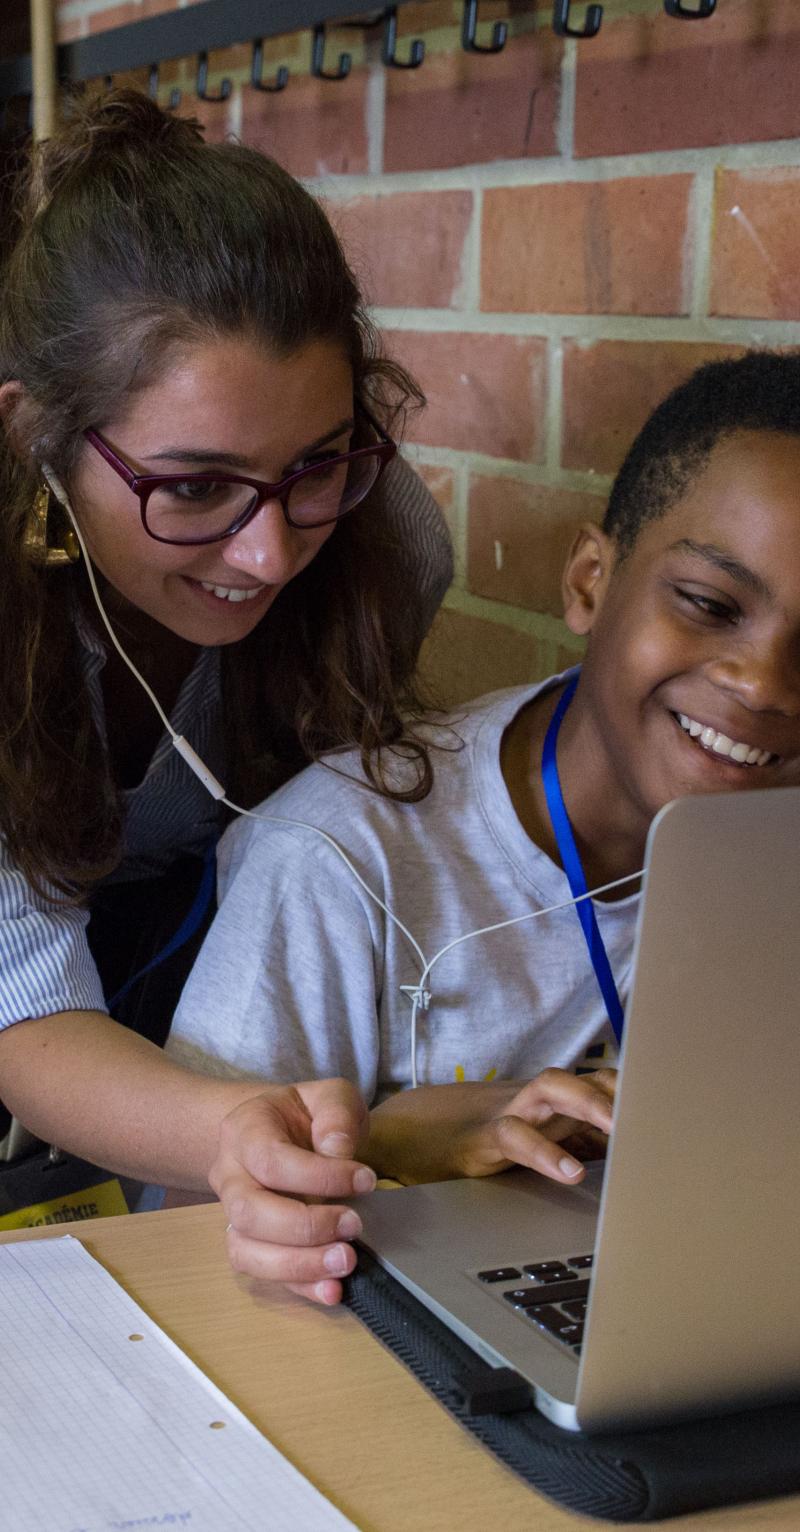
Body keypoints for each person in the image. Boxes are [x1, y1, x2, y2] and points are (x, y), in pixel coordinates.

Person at [169, 349, 800, 1281]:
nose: (764, 684)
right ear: (589, 582)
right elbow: (182, 1241)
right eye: (709, 605)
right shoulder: (335, 856)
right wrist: (385, 1151)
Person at [0, 86, 453, 1303]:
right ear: (38, 435)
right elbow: (23, 1009)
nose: (266, 554)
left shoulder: (383, 542)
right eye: (195, 488)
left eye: (314, 464)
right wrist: (232, 1132)